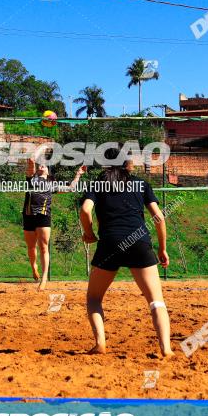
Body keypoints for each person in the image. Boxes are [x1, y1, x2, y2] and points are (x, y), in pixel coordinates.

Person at [79, 148, 173, 357]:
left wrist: (89, 233)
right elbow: (159, 217)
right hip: (139, 241)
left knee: (94, 298)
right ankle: (166, 349)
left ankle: (100, 344)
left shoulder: (97, 184)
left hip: (110, 243)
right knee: (156, 301)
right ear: (127, 164)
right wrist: (162, 248)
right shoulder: (141, 184)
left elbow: (85, 210)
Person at [22, 145, 85, 290]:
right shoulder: (31, 179)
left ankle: (44, 279)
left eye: (45, 164)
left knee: (44, 247)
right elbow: (32, 159)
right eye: (40, 164)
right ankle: (34, 267)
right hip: (28, 215)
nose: (42, 165)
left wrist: (78, 174)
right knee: (31, 248)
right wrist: (43, 146)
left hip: (44, 216)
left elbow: (70, 188)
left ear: (48, 170)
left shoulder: (52, 183)